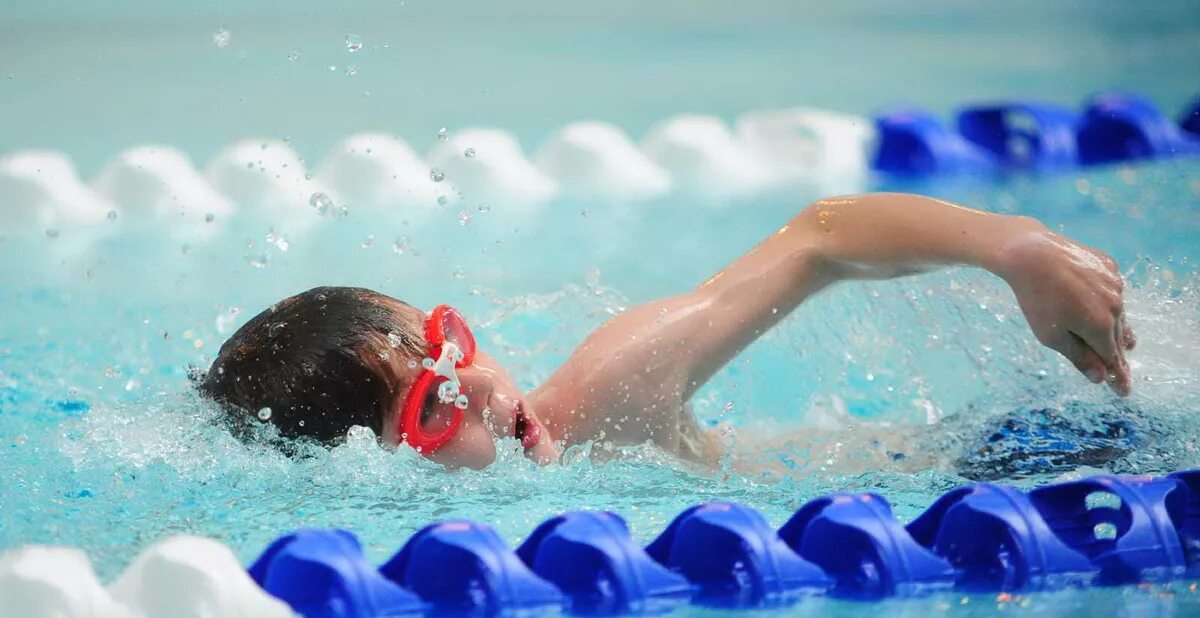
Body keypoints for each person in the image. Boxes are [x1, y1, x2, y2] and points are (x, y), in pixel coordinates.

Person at [200, 193, 1135, 471]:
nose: (481, 385)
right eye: (437, 407)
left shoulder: (608, 396)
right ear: (371, 465)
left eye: (458, 347)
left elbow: (819, 240)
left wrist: (1014, 248)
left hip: (985, 465)